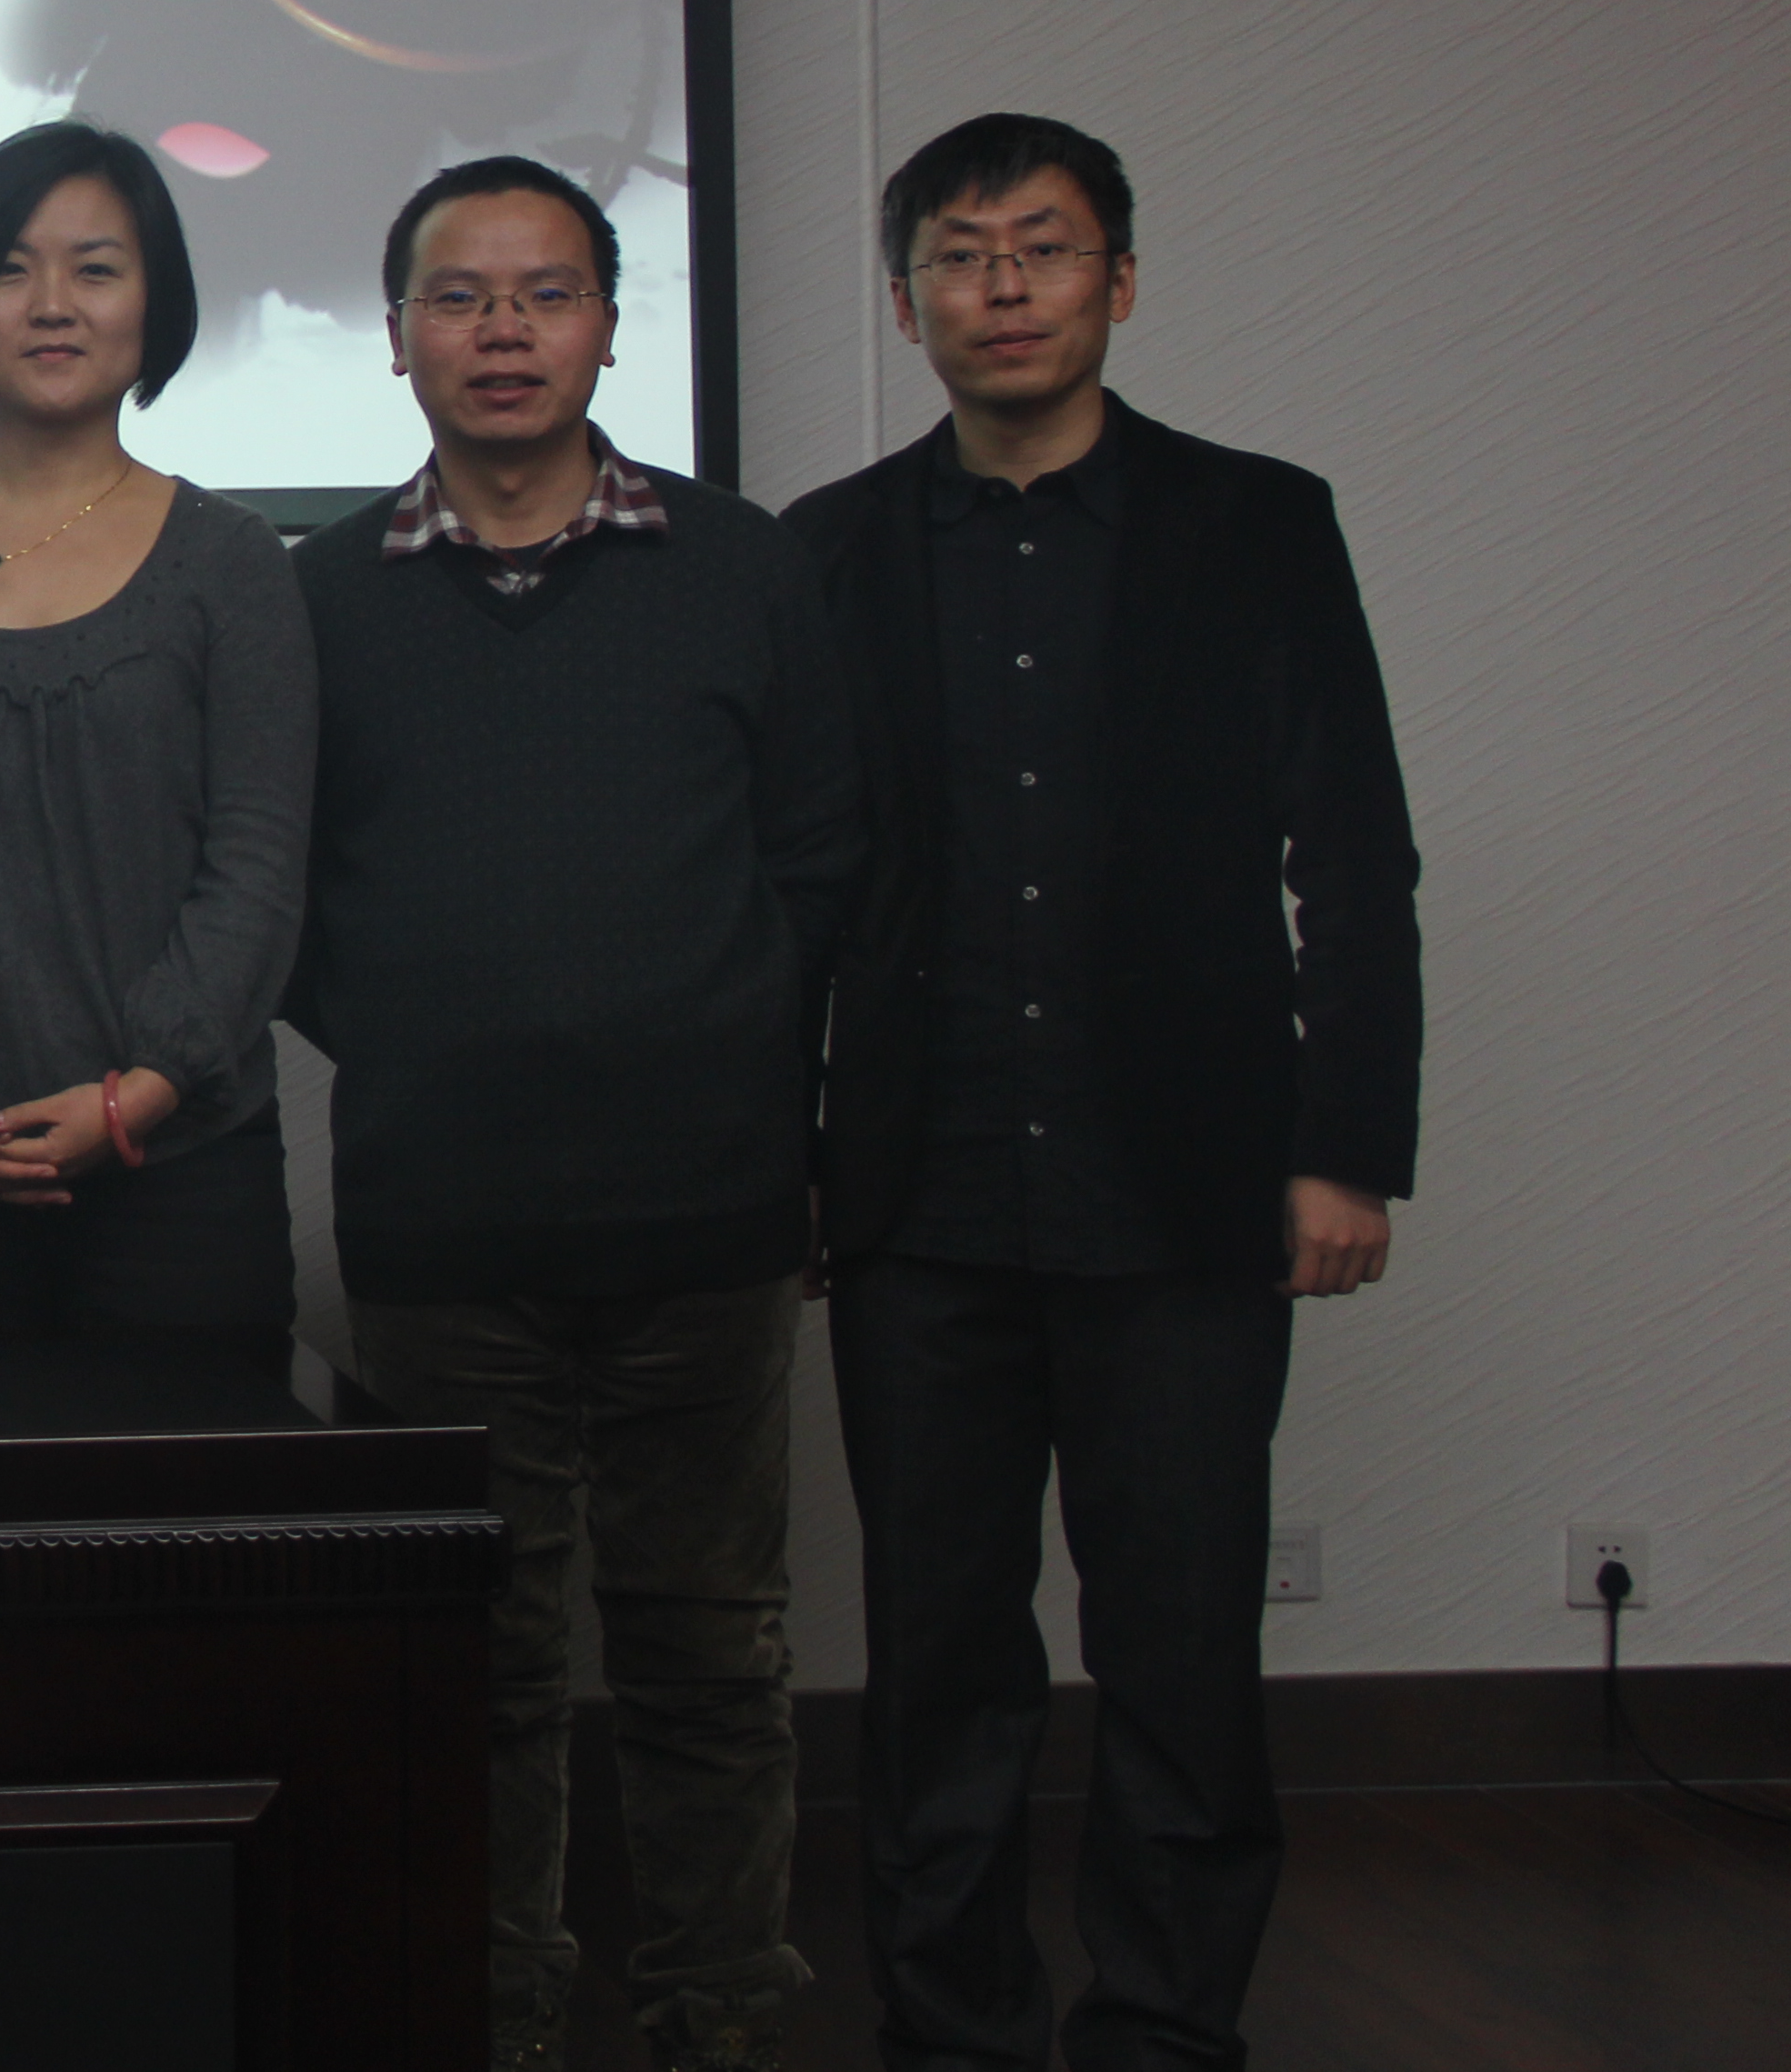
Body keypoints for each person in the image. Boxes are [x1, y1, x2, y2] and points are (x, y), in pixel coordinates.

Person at [785, 115, 1420, 2072]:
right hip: (920, 1201)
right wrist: (784, 1163)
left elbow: (1353, 851)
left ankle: (1164, 2029)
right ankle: (955, 2030)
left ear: (1120, 283)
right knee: (939, 1662)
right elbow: (787, 890)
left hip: (1191, 1193)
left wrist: (1345, 1149)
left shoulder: (1259, 524)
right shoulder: (827, 550)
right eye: (960, 256)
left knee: (1181, 1650)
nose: (1005, 288)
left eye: (1045, 249)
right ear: (906, 306)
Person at [282, 153, 862, 2072]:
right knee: (480, 1659)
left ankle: (716, 2012)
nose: (503, 332)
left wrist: (713, 1040)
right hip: (440, 1222)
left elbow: (822, 861)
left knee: (710, 1650)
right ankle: (498, 2014)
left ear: (611, 326)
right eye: (458, 297)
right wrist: (438, 1029)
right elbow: (284, 903)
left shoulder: (742, 565)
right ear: (396, 339)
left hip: (706, 1213)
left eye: (546, 294)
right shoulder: (316, 598)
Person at [0, 122, 314, 1365]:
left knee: (200, 1495)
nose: (51, 305)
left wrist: (137, 1095)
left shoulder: (233, 562)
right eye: (9, 268)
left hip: (182, 1178)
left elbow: (257, 861)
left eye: (95, 268)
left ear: (155, 303)